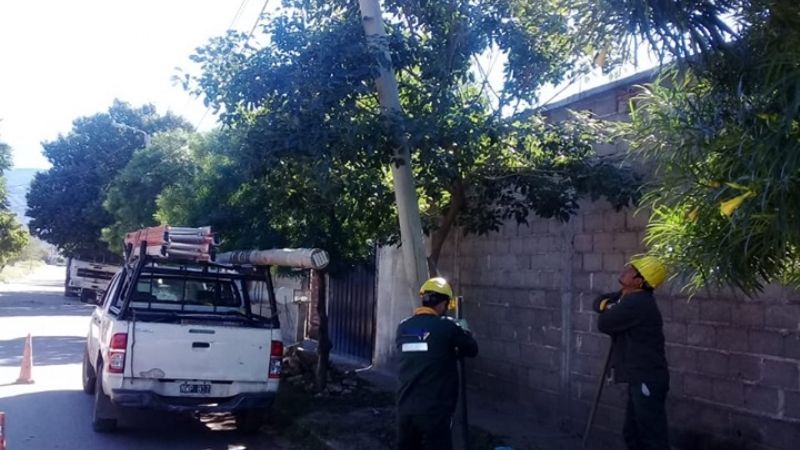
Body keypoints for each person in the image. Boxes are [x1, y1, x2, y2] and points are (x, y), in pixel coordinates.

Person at [593, 256, 670, 450]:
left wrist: (610, 308)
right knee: (633, 433)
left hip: (647, 377)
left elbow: (605, 323)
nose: (626, 270)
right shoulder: (627, 296)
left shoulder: (637, 303)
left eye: (632, 270)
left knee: (651, 436)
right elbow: (599, 301)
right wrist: (608, 306)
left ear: (639, 281)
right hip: (641, 376)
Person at [395, 277, 479, 450]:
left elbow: (426, 348)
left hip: (405, 408)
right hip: (434, 411)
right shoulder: (447, 327)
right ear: (443, 304)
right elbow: (472, 350)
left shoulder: (403, 327)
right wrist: (464, 330)